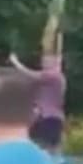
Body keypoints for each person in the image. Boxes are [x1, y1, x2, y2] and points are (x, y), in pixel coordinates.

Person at [10, 14, 67, 153]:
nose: (43, 61)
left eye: (47, 59)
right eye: (43, 59)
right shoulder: (53, 76)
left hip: (49, 118)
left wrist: (15, 62)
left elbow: (31, 75)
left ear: (55, 61)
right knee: (46, 150)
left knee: (43, 149)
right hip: (46, 117)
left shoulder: (53, 75)